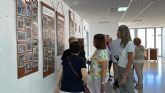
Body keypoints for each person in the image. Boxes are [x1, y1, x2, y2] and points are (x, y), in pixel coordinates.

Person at [117, 25, 135, 93]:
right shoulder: (122, 43)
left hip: (126, 69)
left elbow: (130, 61)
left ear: (123, 32)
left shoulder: (130, 43)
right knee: (122, 89)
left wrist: (124, 76)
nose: (117, 33)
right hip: (120, 68)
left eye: (118, 31)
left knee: (129, 90)